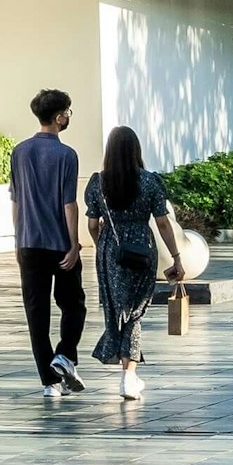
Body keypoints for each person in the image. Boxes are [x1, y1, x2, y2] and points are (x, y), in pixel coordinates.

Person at [84, 124, 187, 402]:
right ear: (136, 150)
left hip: (110, 251)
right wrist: (176, 256)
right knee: (135, 311)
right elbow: (163, 222)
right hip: (142, 247)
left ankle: (123, 364)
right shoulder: (150, 181)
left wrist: (104, 247)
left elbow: (93, 224)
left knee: (117, 308)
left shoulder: (97, 182)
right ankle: (129, 376)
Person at [11, 89, 87, 400]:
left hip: (29, 244)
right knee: (74, 305)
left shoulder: (19, 152)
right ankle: (65, 355)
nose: (69, 117)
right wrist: (74, 244)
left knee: (36, 314)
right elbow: (69, 204)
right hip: (59, 244)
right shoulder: (66, 155)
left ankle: (49, 382)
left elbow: (15, 200)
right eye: (68, 112)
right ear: (58, 117)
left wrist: (18, 239)